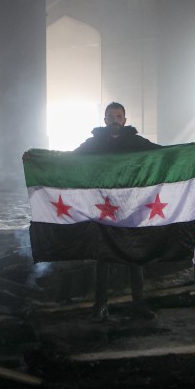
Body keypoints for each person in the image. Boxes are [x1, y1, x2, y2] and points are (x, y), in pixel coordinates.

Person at [74, 102, 159, 321]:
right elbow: (70, 160)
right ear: (105, 120)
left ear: (124, 120)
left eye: (118, 116)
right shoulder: (94, 144)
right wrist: (39, 158)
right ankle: (100, 305)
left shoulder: (135, 142)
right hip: (104, 209)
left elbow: (163, 153)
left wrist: (190, 151)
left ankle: (139, 303)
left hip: (131, 207)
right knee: (104, 257)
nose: (114, 120)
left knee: (135, 255)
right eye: (110, 116)